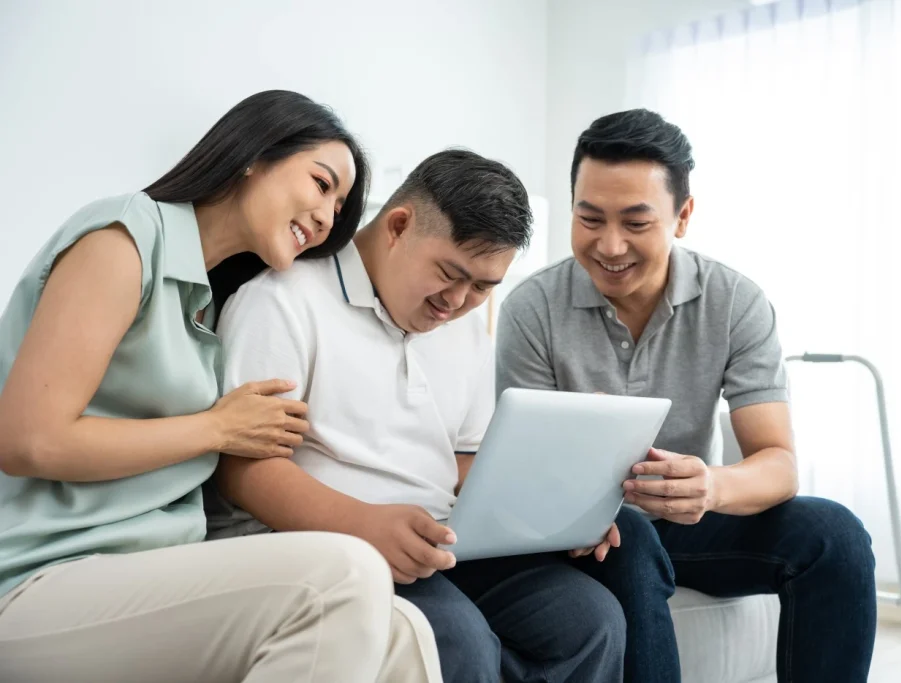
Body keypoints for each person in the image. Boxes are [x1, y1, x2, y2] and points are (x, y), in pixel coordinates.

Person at [0, 90, 441, 683]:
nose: (328, 215)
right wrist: (216, 427)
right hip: (40, 575)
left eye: (340, 206)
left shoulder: (209, 305)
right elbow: (30, 440)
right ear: (253, 155)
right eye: (321, 183)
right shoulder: (124, 239)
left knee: (404, 632)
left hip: (153, 570)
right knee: (344, 572)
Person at [205, 149, 627, 683]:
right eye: (450, 274)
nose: (457, 301)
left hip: (440, 541)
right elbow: (242, 471)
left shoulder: (467, 329)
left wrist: (553, 514)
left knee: (588, 621)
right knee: (454, 639)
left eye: (483, 287)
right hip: (324, 543)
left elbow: (465, 464)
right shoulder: (283, 302)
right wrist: (362, 524)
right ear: (398, 227)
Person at [495, 109, 877, 683]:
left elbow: (779, 465)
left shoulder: (735, 302)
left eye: (636, 222)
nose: (610, 244)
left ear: (683, 216)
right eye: (589, 217)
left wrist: (712, 485)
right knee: (632, 536)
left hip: (693, 519)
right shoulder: (531, 309)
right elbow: (521, 472)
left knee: (836, 536)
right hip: (584, 533)